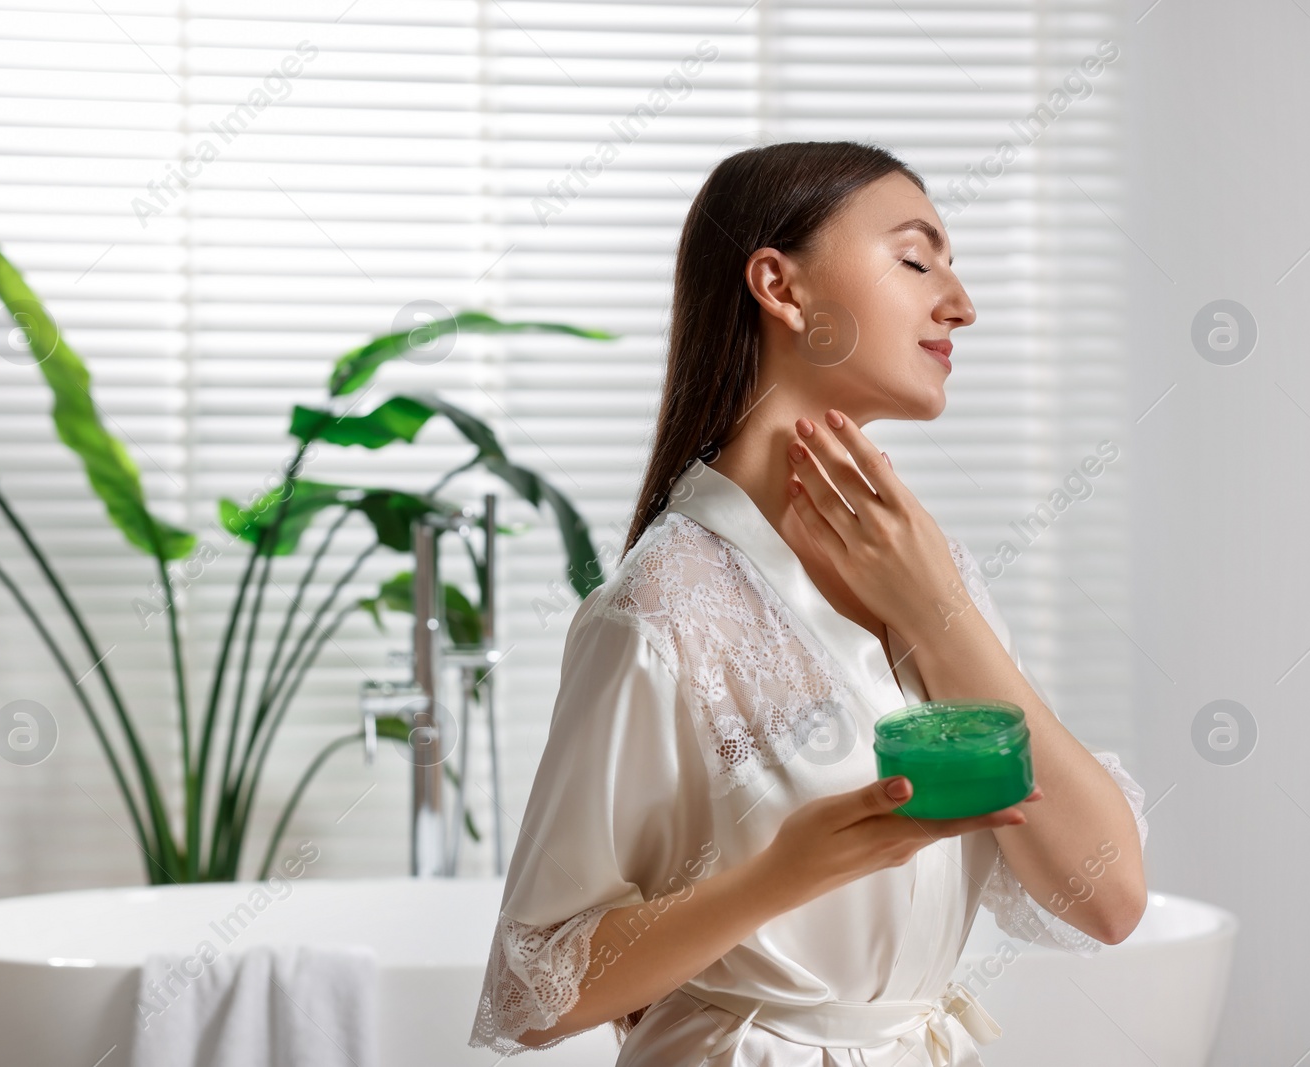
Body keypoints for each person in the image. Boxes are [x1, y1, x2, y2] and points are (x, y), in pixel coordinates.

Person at [468, 140, 1150, 1066]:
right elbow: (529, 987)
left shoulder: (925, 568)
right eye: (916, 259)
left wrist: (941, 609)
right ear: (780, 288)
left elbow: (1107, 898)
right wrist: (784, 873)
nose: (961, 303)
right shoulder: (661, 608)